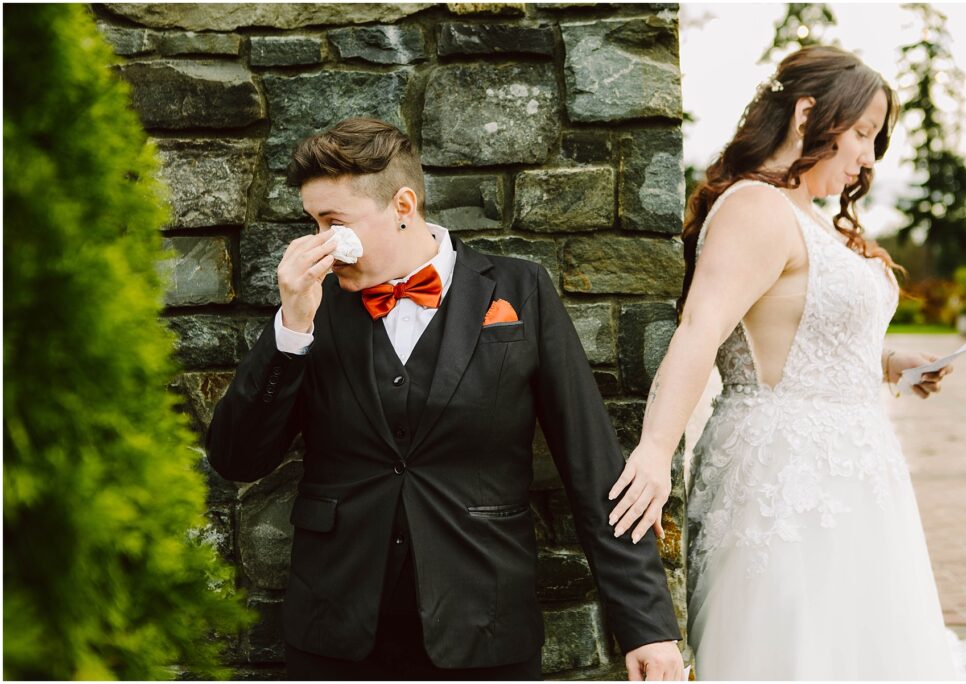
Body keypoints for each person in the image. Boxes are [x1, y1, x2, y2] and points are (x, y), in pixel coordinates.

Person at [205, 118, 685, 680]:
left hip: (484, 624)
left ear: (403, 204)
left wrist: (646, 625)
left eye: (334, 222)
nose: (321, 244)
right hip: (336, 627)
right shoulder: (313, 307)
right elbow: (238, 459)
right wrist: (291, 329)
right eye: (314, 223)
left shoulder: (519, 290)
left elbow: (591, 463)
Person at [605, 46, 964, 679]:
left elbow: (802, 329)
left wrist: (889, 363)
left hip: (858, 472)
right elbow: (702, 330)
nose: (868, 157)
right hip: (786, 477)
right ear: (807, 114)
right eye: (861, 134)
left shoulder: (813, 218)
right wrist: (656, 450)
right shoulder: (755, 208)